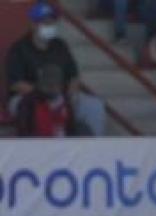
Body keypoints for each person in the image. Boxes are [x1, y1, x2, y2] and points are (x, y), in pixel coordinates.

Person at [6, 3, 106, 136]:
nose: (50, 26)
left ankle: (94, 150)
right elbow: (16, 83)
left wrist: (71, 93)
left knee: (95, 106)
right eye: (45, 23)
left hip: (62, 97)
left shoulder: (60, 46)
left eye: (52, 22)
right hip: (28, 98)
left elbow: (73, 75)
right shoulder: (19, 49)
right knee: (28, 107)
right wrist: (45, 96)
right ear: (33, 24)